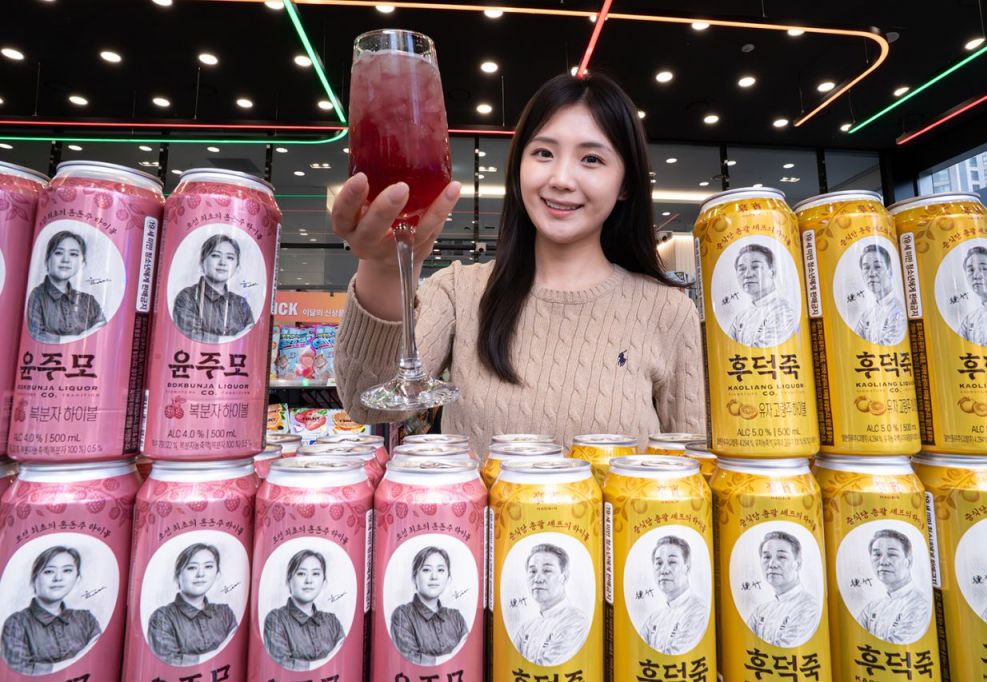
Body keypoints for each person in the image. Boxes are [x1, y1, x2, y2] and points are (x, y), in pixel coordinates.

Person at [331, 73, 705, 453]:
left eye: (591, 159)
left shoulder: (668, 311)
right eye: (543, 153)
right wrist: (383, 268)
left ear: (625, 183)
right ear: (519, 166)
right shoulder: (459, 291)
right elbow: (367, 403)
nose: (561, 179)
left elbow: (696, 463)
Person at [1, 546, 101, 675]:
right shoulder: (16, 623)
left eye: (67, 570)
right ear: (34, 579)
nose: (58, 578)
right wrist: (76, 660)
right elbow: (19, 670)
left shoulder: (86, 619)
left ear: (77, 578)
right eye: (49, 571)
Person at [147, 543, 238, 665]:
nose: (201, 574)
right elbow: (169, 662)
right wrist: (219, 652)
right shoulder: (162, 617)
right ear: (178, 575)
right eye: (192, 567)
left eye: (208, 566)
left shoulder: (225, 613)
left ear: (217, 574)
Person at [263, 550, 345, 671]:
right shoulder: (276, 619)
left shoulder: (332, 621)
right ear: (289, 581)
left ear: (323, 582)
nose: (309, 580)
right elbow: (282, 664)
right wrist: (327, 660)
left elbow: (344, 658)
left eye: (316, 574)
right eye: (301, 573)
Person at [390, 546, 468, 664]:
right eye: (426, 570)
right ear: (414, 577)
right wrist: (452, 655)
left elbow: (468, 656)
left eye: (440, 570)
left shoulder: (456, 617)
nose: (434, 577)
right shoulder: (402, 615)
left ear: (448, 578)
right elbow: (410, 659)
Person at [514, 543, 588, 666]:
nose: (538, 579)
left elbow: (547, 666)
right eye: (532, 571)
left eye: (547, 571)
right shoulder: (526, 628)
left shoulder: (576, 621)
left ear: (564, 577)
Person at [25, 231, 106, 343]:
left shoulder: (89, 301)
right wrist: (78, 338)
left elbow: (103, 330)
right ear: (47, 259)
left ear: (82, 263)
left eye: (73, 254)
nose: (66, 260)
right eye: (58, 253)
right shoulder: (36, 295)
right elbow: (35, 334)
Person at [173, 234, 255, 343]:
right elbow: (190, 335)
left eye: (230, 257)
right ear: (202, 261)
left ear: (237, 266)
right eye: (215, 255)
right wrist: (234, 339)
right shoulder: (187, 297)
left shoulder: (241, 302)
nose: (223, 263)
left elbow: (251, 335)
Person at [746, 530, 820, 647]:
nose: (772, 564)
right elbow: (743, 644)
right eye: (767, 557)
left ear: (798, 564)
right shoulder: (760, 611)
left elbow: (785, 649)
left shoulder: (809, 607)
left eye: (781, 557)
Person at [856, 529, 931, 643]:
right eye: (877, 554)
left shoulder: (921, 604)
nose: (883, 561)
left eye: (892, 554)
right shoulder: (871, 608)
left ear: (908, 561)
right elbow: (855, 638)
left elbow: (896, 645)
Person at [640, 536, 708, 654]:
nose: (664, 570)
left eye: (672, 562)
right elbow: (637, 650)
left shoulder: (699, 611)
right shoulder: (654, 618)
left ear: (687, 568)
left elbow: (676, 655)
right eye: (659, 563)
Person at [727, 244, 797, 347]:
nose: (747, 274)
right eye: (742, 269)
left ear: (772, 273)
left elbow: (762, 349)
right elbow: (728, 347)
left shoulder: (784, 311)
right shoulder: (740, 317)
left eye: (755, 267)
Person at [854, 244, 906, 346]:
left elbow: (888, 347)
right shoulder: (866, 315)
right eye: (866, 268)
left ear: (890, 271)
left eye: (877, 266)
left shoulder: (899, 311)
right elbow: (855, 344)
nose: (871, 273)